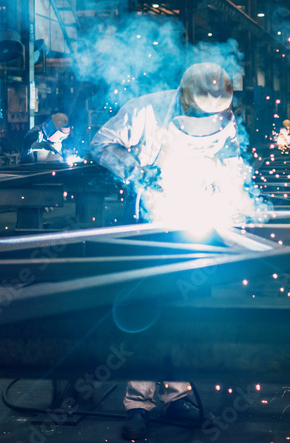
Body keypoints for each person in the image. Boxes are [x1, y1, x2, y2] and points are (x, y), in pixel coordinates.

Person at [91, 62, 242, 440]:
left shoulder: (226, 120)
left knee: (184, 309)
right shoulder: (145, 110)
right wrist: (136, 171)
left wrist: (231, 201)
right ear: (184, 98)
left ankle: (178, 394)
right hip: (147, 221)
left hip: (194, 224)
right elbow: (100, 143)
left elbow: (232, 165)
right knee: (144, 310)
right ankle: (138, 403)